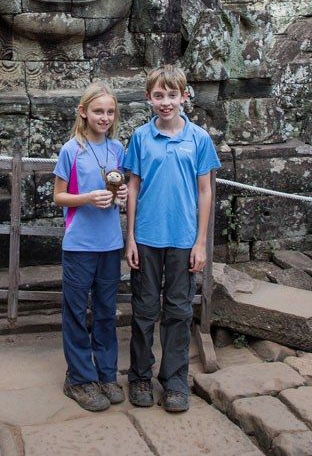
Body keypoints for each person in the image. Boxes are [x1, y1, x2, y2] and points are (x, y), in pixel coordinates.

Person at [124, 65, 221, 413]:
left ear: (184, 96)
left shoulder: (198, 139)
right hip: (147, 236)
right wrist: (130, 237)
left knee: (179, 310)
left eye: (172, 95)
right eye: (159, 95)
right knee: (144, 309)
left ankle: (175, 379)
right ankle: (139, 375)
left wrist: (200, 243)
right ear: (149, 98)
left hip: (182, 238)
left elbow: (205, 191)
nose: (166, 102)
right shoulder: (140, 138)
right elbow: (132, 187)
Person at [53, 81, 128, 412]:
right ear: (83, 112)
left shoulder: (117, 150)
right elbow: (59, 196)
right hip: (80, 244)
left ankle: (106, 372)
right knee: (75, 310)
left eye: (110, 112)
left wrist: (121, 197)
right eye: (98, 111)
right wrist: (86, 198)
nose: (105, 117)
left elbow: (120, 190)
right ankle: (80, 378)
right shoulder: (71, 150)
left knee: (105, 310)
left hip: (110, 243)